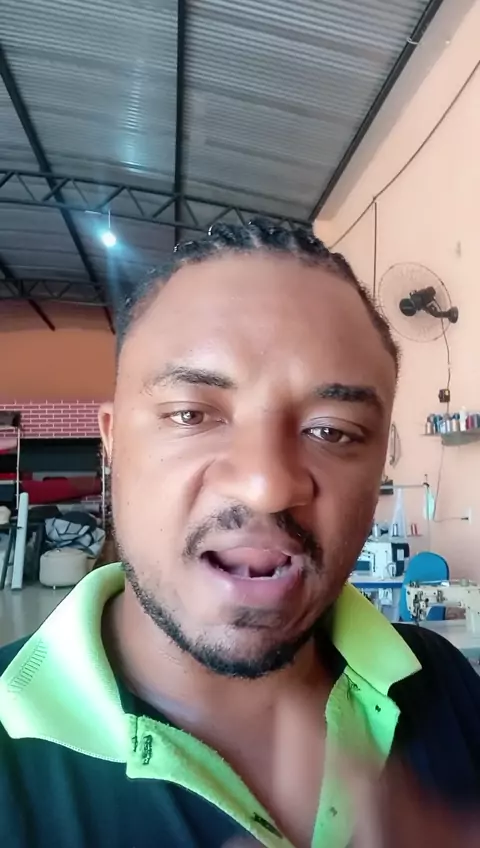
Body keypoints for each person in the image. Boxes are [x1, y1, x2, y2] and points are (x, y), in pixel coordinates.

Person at [0, 219, 479, 848]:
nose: (267, 485)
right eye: (191, 414)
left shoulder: (443, 681)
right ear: (112, 443)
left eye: (332, 431)